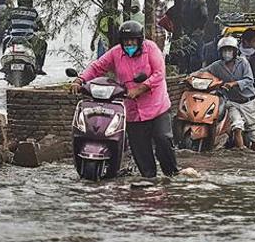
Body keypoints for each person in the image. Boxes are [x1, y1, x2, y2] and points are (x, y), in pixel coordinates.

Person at [71, 20, 178, 178]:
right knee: (140, 150)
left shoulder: (151, 48)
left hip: (156, 107)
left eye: (133, 41)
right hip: (132, 110)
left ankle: (172, 175)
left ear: (140, 41)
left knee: (163, 139)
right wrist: (80, 80)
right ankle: (149, 179)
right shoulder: (116, 53)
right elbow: (97, 67)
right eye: (126, 42)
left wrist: (141, 88)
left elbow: (159, 73)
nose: (129, 44)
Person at [198, 36, 255, 150]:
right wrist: (190, 76)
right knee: (236, 127)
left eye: (229, 50)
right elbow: (203, 71)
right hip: (232, 102)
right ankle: (242, 153)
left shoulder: (243, 63)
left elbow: (249, 79)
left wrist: (234, 84)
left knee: (254, 134)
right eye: (224, 50)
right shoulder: (217, 66)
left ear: (235, 51)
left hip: (248, 102)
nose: (227, 53)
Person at [4, 0, 49, 74]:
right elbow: (40, 26)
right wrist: (41, 30)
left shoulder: (12, 11)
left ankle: (5, 65)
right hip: (28, 38)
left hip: (13, 38)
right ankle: (38, 67)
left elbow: (7, 25)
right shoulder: (33, 12)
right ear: (29, 2)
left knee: (4, 43)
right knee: (43, 44)